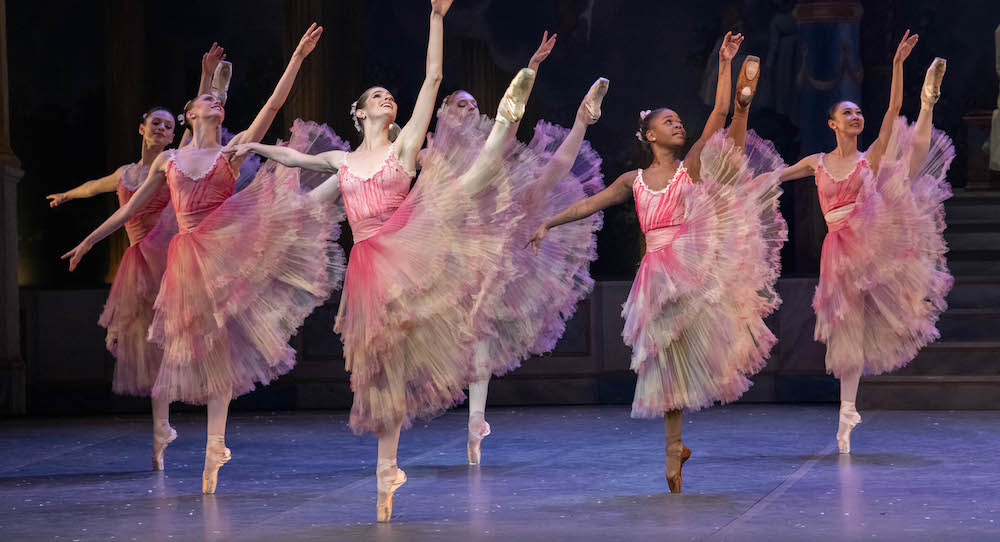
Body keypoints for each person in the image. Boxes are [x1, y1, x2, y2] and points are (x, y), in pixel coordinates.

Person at [62, 24, 341, 494]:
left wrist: (296, 57)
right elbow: (129, 208)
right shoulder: (167, 160)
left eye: (218, 100)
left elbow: (273, 107)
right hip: (186, 257)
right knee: (184, 348)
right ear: (191, 113)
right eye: (207, 101)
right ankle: (170, 430)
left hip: (226, 246)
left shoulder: (231, 152)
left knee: (222, 350)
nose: (215, 103)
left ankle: (215, 444)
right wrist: (90, 240)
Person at [529, 33, 787, 492]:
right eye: (669, 122)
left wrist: (725, 63)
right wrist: (549, 223)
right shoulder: (634, 179)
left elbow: (716, 117)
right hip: (654, 271)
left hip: (690, 261)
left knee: (705, 344)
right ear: (649, 135)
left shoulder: (691, 167)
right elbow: (592, 204)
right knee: (666, 362)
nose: (678, 125)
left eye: (678, 121)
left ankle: (748, 102)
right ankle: (673, 447)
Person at [778, 31, 953, 453]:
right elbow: (776, 177)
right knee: (847, 332)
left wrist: (897, 65)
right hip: (838, 249)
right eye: (848, 112)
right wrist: (744, 188)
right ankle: (847, 412)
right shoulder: (816, 162)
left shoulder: (867, 157)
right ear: (832, 123)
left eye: (858, 111)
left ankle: (928, 103)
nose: (856, 116)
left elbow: (892, 110)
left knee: (907, 156)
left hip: (871, 233)